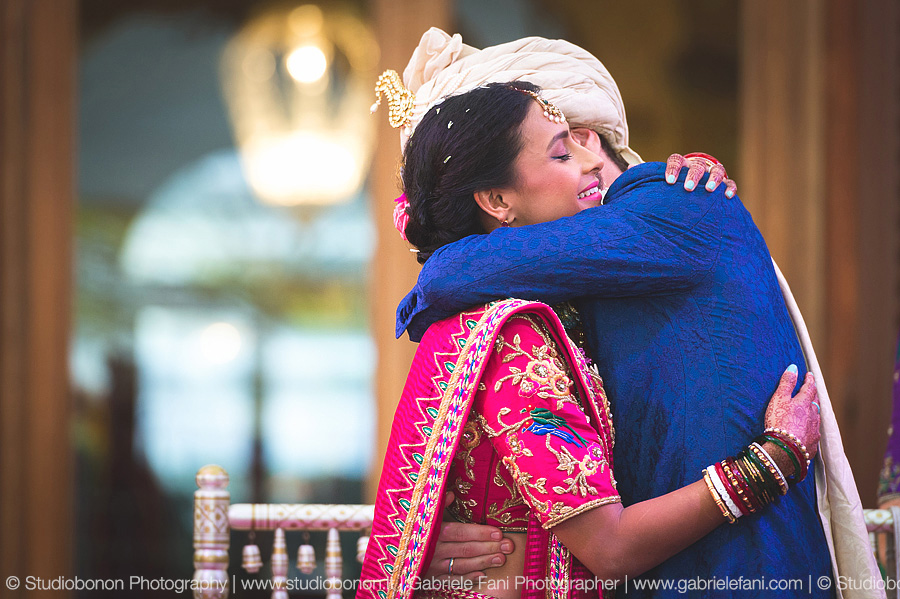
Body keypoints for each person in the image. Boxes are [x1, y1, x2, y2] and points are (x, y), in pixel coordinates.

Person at [388, 29, 880, 598]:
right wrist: (434, 540)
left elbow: (444, 274)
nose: (581, 156)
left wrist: (774, 462)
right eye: (559, 148)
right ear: (496, 200)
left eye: (575, 140)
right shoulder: (533, 313)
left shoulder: (677, 205)